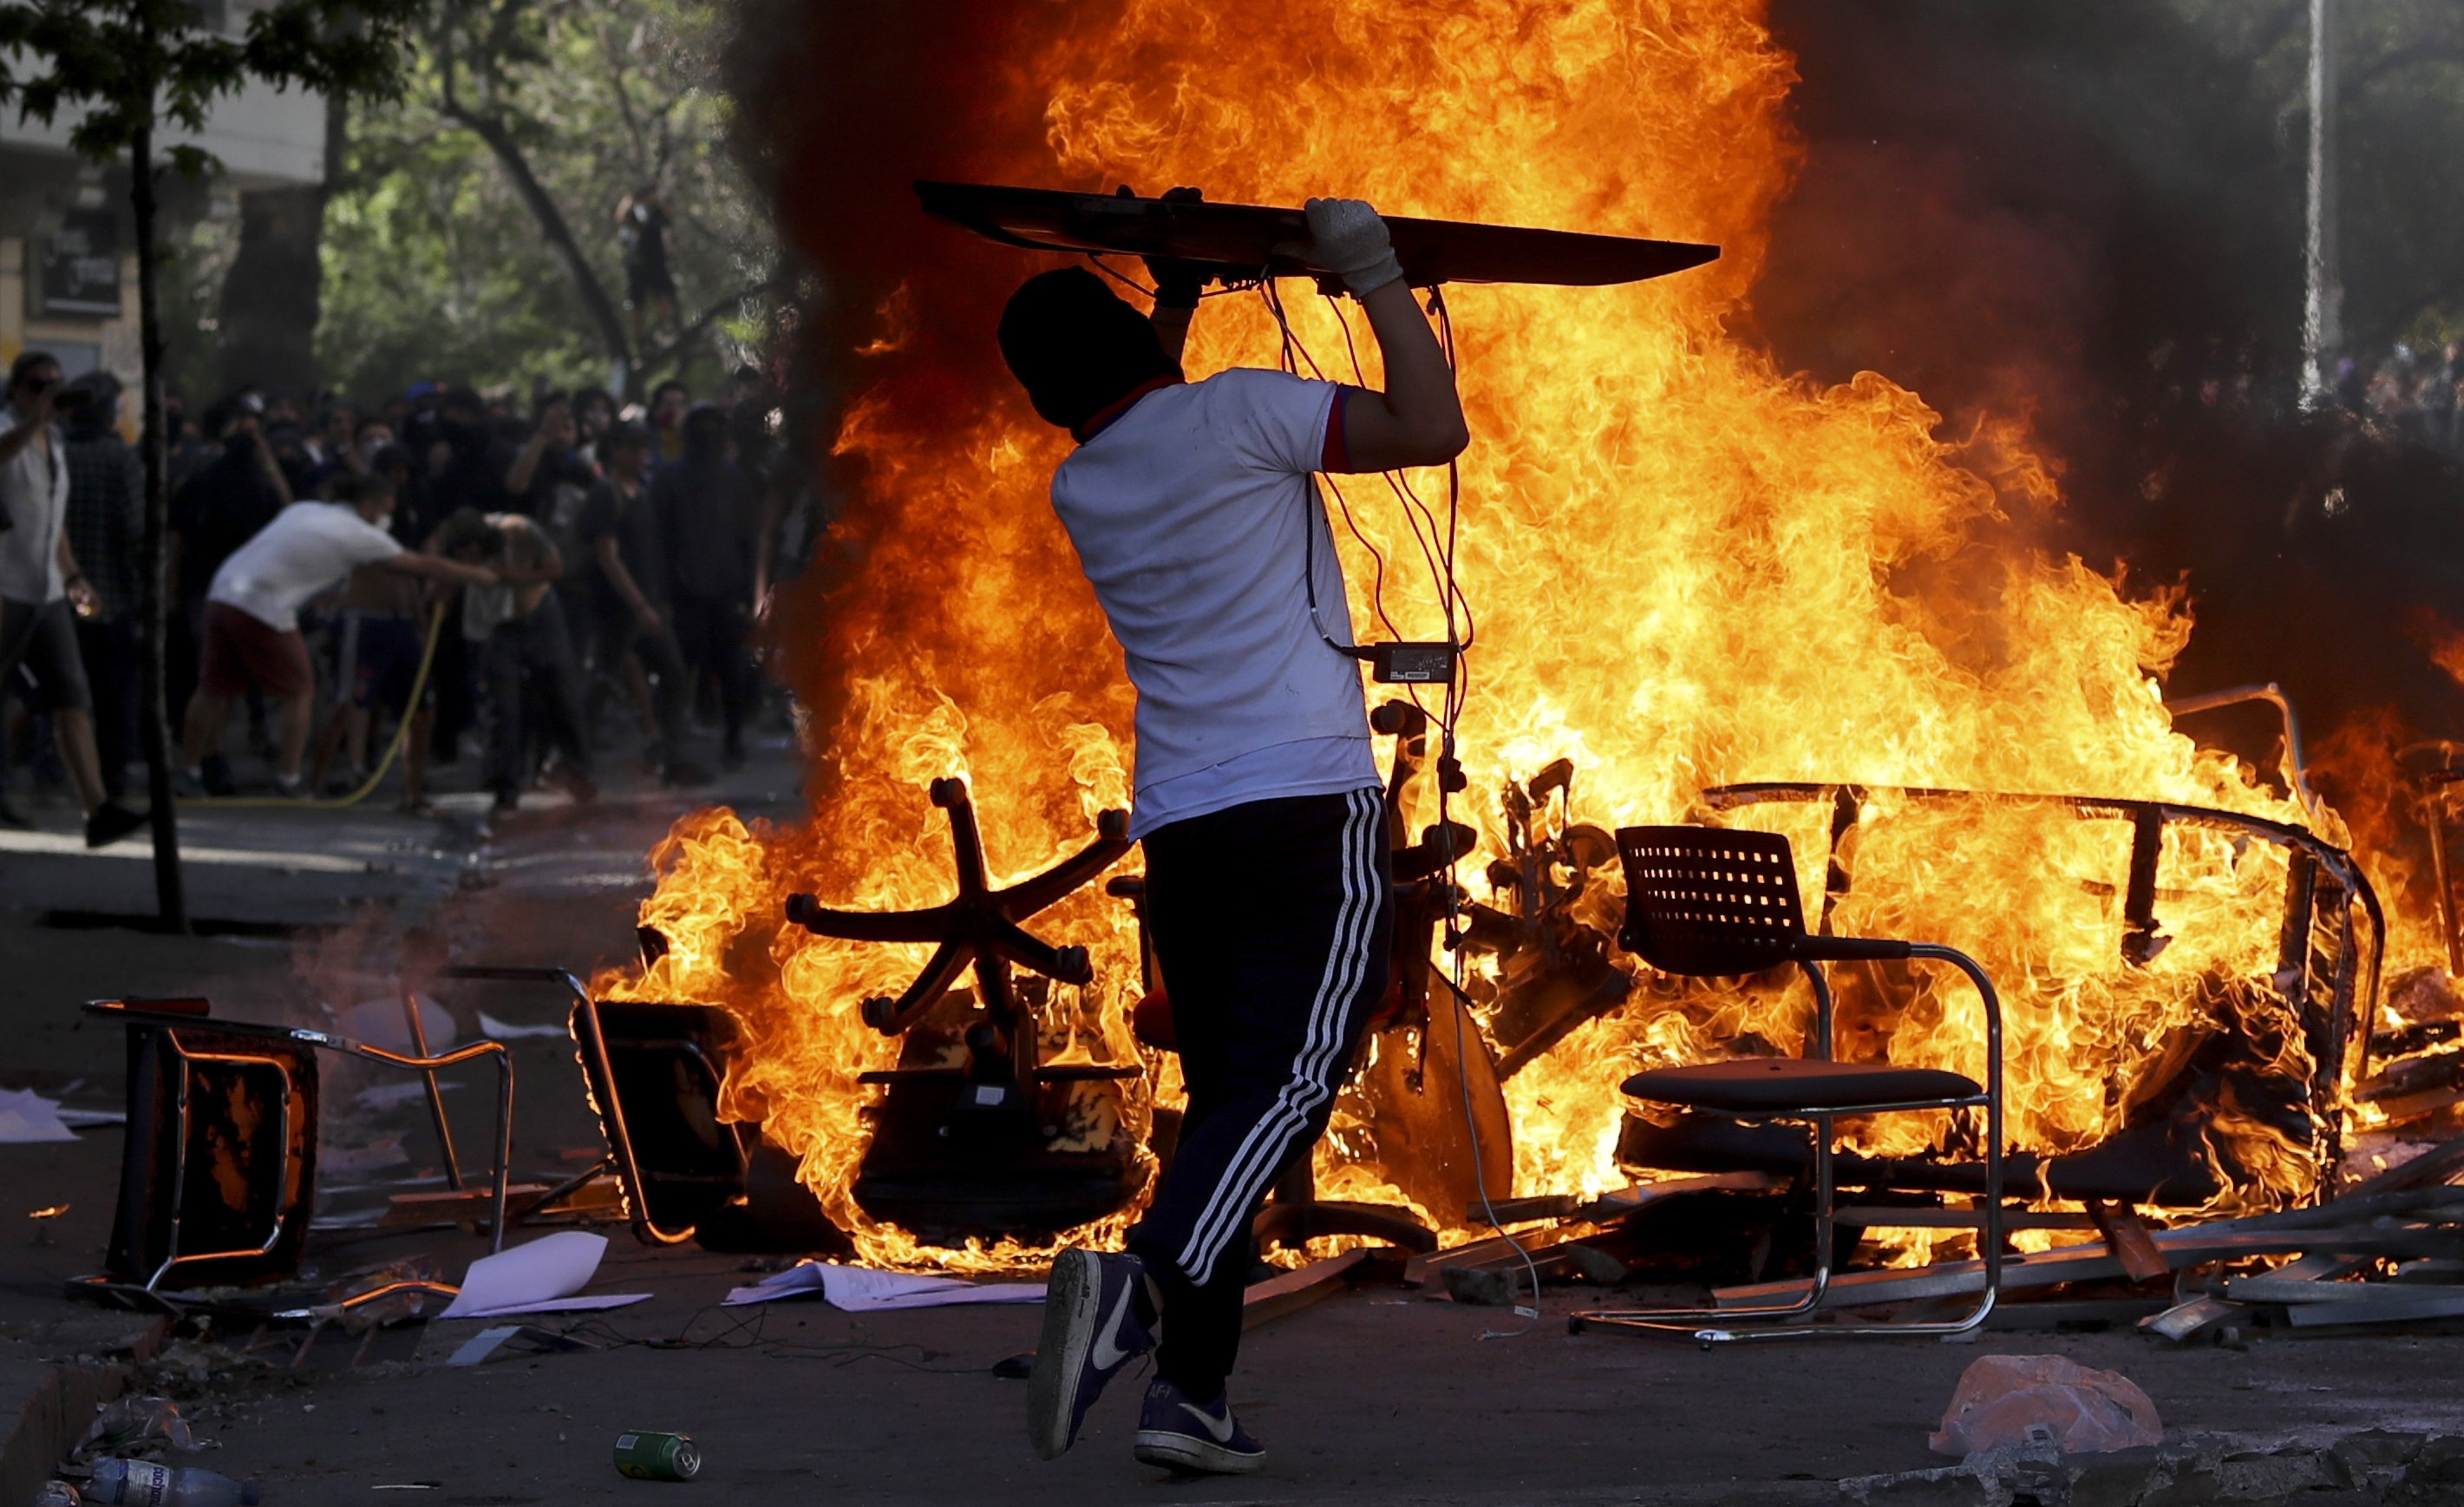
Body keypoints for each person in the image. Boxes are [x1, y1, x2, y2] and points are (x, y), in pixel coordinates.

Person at [1010, 200, 1467, 1476]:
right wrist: (1371, 275)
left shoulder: (1085, 480)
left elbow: (1144, 403)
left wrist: (1173, 295)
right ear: (1143, 347)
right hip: (1306, 813)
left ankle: (1189, 1398)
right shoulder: (1243, 412)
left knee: (1225, 1103)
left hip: (1187, 835)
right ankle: (1141, 1293)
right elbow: (1433, 427)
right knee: (1294, 1078)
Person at [180, 473, 496, 795]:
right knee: (298, 692)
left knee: (214, 688)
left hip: (223, 591)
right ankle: (288, 780)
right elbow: (419, 565)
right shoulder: (360, 534)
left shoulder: (305, 509)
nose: (386, 518)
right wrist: (478, 576)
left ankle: (189, 771)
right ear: (366, 505)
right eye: (384, 510)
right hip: (264, 604)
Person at [0, 351, 147, 845]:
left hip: (45, 591)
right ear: (18, 390)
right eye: (38, 384)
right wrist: (34, 421)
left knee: (71, 696)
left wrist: (73, 574)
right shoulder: (9, 430)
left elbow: (53, 520)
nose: (48, 393)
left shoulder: (55, 442)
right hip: (4, 588)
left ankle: (97, 809)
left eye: (57, 385)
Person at [438, 507, 595, 814]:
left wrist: (515, 577)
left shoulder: (518, 531)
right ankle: (503, 784)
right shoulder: (456, 547)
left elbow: (554, 568)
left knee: (560, 694)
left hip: (539, 616)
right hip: (499, 625)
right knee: (503, 704)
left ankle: (577, 771)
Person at [576, 422, 704, 784]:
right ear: (615, 450)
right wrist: (639, 605)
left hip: (647, 605)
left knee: (675, 675)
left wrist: (657, 601)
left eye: (644, 448)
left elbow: (652, 553)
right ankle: (572, 761)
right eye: (632, 448)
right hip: (617, 610)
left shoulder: (643, 491)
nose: (641, 454)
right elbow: (608, 557)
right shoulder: (605, 493)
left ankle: (671, 756)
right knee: (602, 683)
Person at [306, 473, 439, 811]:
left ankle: (412, 792)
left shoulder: (394, 533)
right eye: (382, 508)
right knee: (348, 702)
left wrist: (420, 622)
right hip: (365, 623)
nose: (387, 514)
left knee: (420, 710)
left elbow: (408, 574)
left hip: (402, 625)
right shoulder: (347, 534)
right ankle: (313, 784)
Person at [650, 403, 756, 768]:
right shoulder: (669, 479)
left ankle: (733, 739)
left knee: (732, 672)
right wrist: (662, 593)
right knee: (678, 672)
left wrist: (747, 594)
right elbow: (657, 541)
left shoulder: (734, 478)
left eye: (715, 425)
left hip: (727, 593)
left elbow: (749, 539)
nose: (708, 432)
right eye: (701, 426)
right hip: (683, 594)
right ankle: (673, 746)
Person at [61, 371, 147, 803]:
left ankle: (55, 774)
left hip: (62, 594)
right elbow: (135, 531)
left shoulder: (55, 452)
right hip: (110, 600)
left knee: (63, 693)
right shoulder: (121, 459)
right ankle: (111, 780)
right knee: (113, 696)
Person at [616, 185, 679, 347]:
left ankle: (659, 330)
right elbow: (620, 217)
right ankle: (640, 341)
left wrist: (656, 199)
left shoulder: (656, 212)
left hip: (656, 262)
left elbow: (668, 215)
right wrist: (630, 198)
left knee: (666, 296)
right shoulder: (633, 213)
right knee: (637, 304)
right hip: (637, 264)